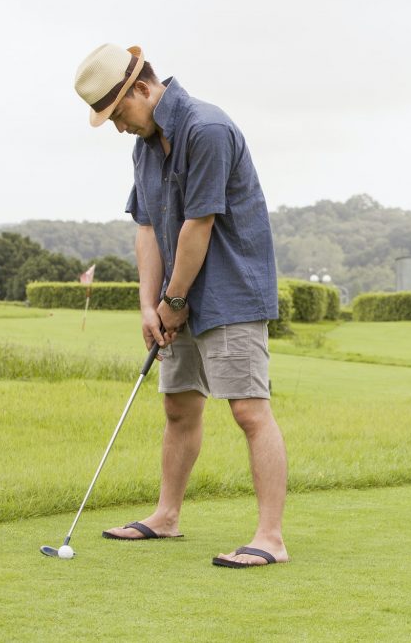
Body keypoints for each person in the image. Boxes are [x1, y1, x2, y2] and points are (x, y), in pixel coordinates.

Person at [74, 44, 288, 567]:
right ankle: (166, 517)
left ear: (142, 89)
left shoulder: (206, 129)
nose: (120, 128)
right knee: (178, 405)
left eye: (119, 114)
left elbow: (199, 225)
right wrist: (150, 305)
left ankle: (270, 539)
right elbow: (147, 227)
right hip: (177, 293)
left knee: (248, 409)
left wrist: (173, 300)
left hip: (231, 289)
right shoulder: (145, 145)